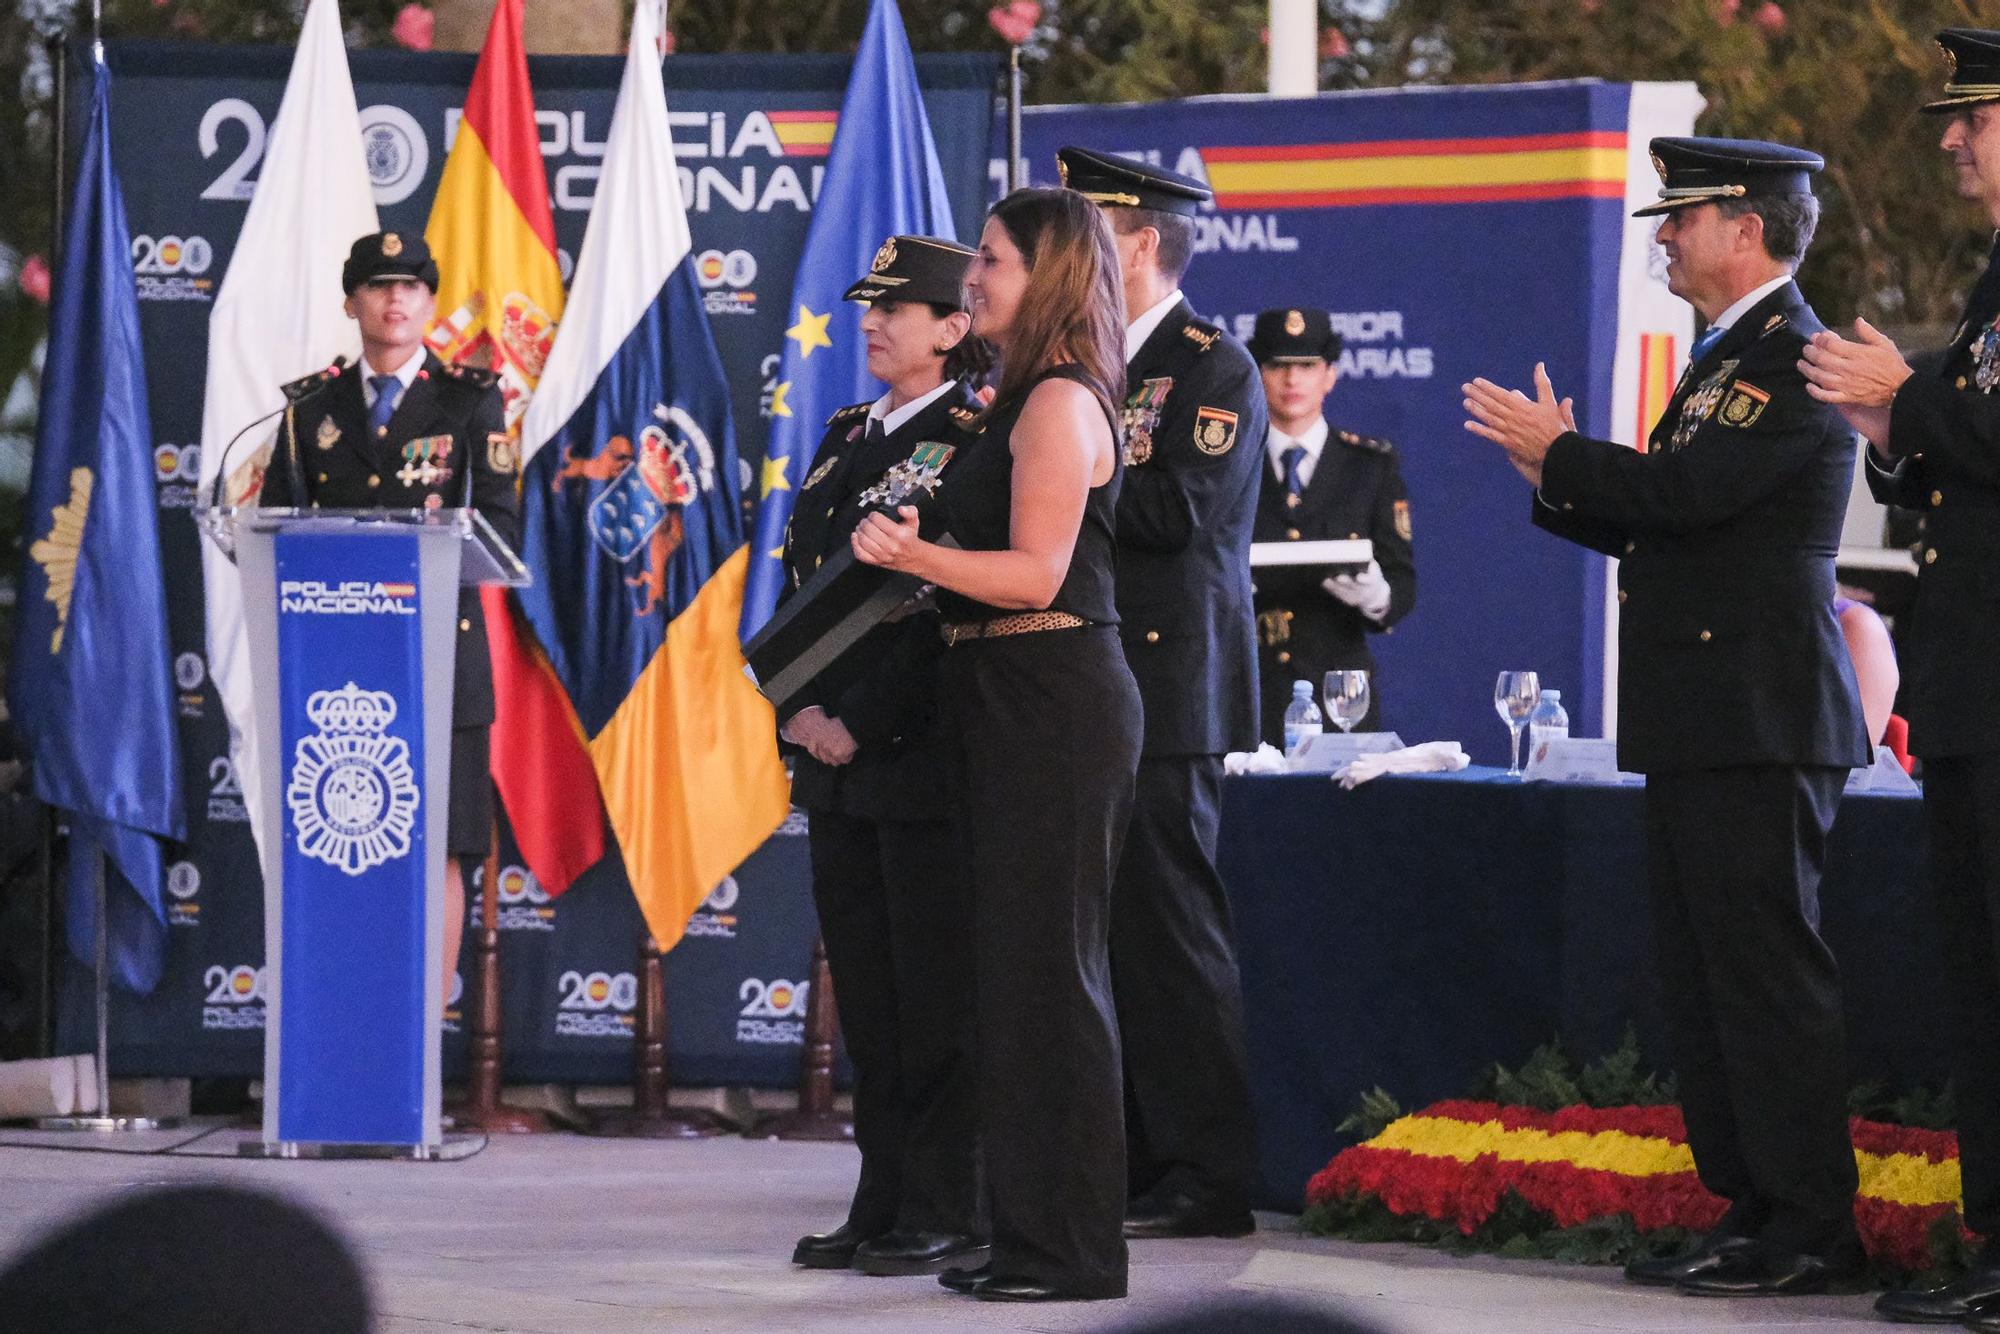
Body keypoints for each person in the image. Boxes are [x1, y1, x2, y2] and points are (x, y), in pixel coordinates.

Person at [1463, 137, 1869, 1297]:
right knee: (1703, 979)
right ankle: (1748, 1204)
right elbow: (1665, 518)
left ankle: (1809, 1224)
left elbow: (1687, 497)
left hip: (1759, 712)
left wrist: (1565, 457)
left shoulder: (1799, 355)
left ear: (1744, 227)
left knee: (1764, 977)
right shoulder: (1722, 358)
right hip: (1703, 713)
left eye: (1679, 217)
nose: (1661, 237)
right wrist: (1557, 471)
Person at [851, 187, 1139, 1303]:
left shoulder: (1060, 402)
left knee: (1048, 981)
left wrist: (913, 557)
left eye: (991, 259)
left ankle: (1069, 1249)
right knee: (1007, 982)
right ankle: (1021, 1232)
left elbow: (1036, 573)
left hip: (1051, 695)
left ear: (1051, 275)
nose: (972, 276)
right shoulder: (1011, 398)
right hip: (1000, 689)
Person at [1798, 28, 2000, 1324]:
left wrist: (1910, 395)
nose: (1950, 139)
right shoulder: (1992, 279)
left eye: (1974, 117)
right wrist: (1889, 423)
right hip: (1974, 680)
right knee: (1977, 977)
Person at [1056, 144, 1265, 1241]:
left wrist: (1064, 466)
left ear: (1138, 244)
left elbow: (1179, 512)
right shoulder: (1083, 360)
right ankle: (1132, 1152)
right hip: (1091, 679)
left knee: (1171, 931)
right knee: (1107, 931)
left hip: (1168, 680)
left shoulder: (1208, 364)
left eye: (1090, 232)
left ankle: (1206, 1168)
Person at [779, 235, 989, 1279]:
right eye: (868, 305)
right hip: (830, 754)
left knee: (932, 989)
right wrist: (804, 706)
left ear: (955, 328)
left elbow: (933, 604)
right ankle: (882, 1192)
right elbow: (802, 582)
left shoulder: (972, 434)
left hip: (915, 752)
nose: (872, 321)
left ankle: (948, 1199)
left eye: (897, 308)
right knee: (867, 991)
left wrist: (861, 718)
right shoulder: (843, 433)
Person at [262, 230, 517, 1005]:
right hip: (337, 666)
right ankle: (342, 1018)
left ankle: (421, 1044)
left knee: (440, 850)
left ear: (431, 305)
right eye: (378, 285)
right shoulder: (312, 407)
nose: (396, 298)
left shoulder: (472, 399)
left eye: (411, 286)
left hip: (440, 659)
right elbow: (274, 525)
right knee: (339, 841)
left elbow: (502, 528)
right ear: (352, 302)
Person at [1246, 307, 1416, 743]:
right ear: (1256, 372)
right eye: (1278, 365)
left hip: (1341, 697)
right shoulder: (1232, 462)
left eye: (1307, 365)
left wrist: (1377, 597)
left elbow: (1401, 583)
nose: (1292, 380)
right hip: (1250, 690)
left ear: (1331, 375)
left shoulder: (1370, 464)